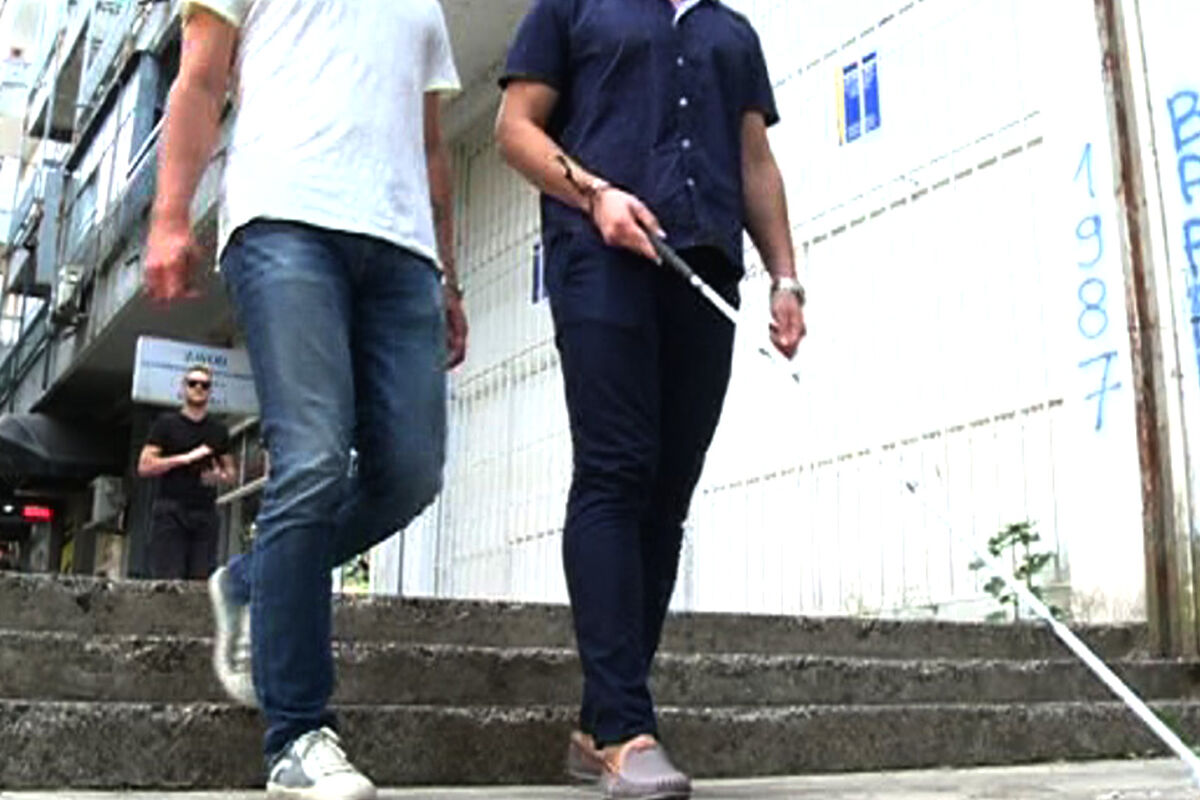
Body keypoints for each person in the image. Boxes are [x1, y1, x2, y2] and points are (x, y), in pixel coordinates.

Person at [143, 2, 467, 798]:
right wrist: (170, 216)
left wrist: (449, 277)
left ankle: (251, 580)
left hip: (403, 251)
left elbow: (430, 144)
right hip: (284, 220)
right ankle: (297, 736)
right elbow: (200, 79)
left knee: (410, 472)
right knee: (313, 457)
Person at [496, 0, 806, 796]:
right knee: (616, 468)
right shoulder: (572, 7)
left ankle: (599, 721)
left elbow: (755, 160)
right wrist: (595, 193)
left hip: (706, 266)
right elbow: (515, 129)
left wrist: (786, 276)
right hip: (599, 257)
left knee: (668, 492)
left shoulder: (730, 31)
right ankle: (624, 728)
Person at [137, 364, 235, 580]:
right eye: (193, 383)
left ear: (210, 391)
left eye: (204, 385)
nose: (198, 388)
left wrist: (218, 477)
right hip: (171, 509)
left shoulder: (218, 430)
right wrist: (184, 458)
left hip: (205, 512)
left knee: (200, 582)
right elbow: (144, 466)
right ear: (183, 388)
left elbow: (231, 474)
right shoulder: (166, 424)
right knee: (169, 581)